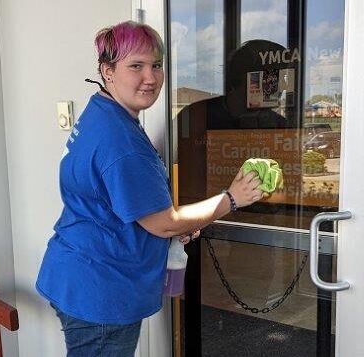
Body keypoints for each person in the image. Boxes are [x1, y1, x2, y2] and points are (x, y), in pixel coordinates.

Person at [36, 21, 263, 357]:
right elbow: (163, 222)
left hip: (77, 272)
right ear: (107, 70)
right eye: (136, 66)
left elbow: (119, 203)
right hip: (100, 292)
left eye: (156, 65)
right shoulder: (121, 140)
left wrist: (173, 225)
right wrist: (232, 198)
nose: (151, 77)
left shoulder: (102, 112)